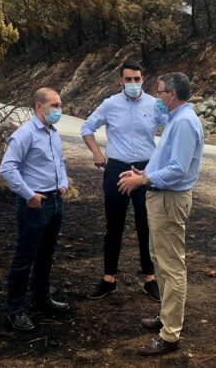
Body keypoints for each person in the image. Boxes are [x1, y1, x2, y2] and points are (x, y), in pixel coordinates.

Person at [116, 72, 204, 357]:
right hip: (162, 197)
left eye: (161, 91)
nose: (158, 97)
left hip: (170, 200)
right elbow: (169, 161)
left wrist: (142, 181)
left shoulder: (184, 123)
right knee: (160, 260)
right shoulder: (177, 120)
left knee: (170, 266)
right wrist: (148, 173)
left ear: (173, 94)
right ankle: (167, 317)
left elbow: (178, 168)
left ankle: (170, 334)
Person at [81, 61, 167, 302]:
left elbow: (170, 130)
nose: (132, 83)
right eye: (128, 79)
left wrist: (157, 161)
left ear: (143, 79)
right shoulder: (110, 104)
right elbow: (87, 127)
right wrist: (97, 153)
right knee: (114, 225)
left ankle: (150, 278)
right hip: (116, 169)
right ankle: (109, 278)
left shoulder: (154, 104)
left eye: (136, 79)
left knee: (146, 224)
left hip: (145, 169)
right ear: (120, 81)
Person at [0, 87, 70, 332]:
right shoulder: (25, 134)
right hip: (35, 204)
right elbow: (7, 168)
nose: (59, 111)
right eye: (55, 106)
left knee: (46, 254)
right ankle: (15, 310)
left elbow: (59, 161)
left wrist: (63, 183)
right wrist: (29, 195)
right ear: (39, 107)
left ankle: (41, 299)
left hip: (55, 202)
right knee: (24, 257)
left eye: (60, 106)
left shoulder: (53, 133)